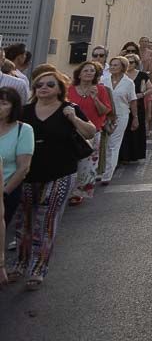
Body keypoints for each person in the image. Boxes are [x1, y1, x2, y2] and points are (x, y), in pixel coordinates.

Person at [11, 69, 97, 289]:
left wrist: (73, 118)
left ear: (60, 89)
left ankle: (38, 268)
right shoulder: (24, 111)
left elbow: (90, 133)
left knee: (46, 221)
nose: (44, 88)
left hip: (60, 173)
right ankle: (20, 263)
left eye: (50, 84)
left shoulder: (69, 109)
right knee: (25, 222)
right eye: (39, 85)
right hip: (27, 174)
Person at [66, 61, 112, 203]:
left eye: (92, 71)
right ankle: (67, 189)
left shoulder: (100, 90)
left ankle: (78, 192)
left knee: (87, 164)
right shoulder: (70, 89)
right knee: (71, 161)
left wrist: (95, 98)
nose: (89, 73)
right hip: (72, 132)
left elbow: (104, 111)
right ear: (79, 74)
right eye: (86, 70)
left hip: (92, 132)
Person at [100, 55, 138, 185]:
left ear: (123, 67)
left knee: (113, 145)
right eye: (111, 65)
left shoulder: (128, 83)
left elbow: (133, 101)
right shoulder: (103, 80)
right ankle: (100, 170)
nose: (112, 67)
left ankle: (107, 174)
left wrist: (135, 118)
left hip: (121, 116)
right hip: (104, 116)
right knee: (102, 144)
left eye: (116, 65)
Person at [0, 87, 33, 224]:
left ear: (13, 107)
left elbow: (23, 168)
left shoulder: (23, 130)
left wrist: (4, 193)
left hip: (5, 191)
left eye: (4, 103)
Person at [119, 55, 151, 164]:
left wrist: (142, 94)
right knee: (124, 131)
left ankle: (134, 154)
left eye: (131, 62)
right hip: (123, 106)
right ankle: (123, 156)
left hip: (138, 106)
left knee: (135, 130)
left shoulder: (142, 75)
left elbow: (151, 89)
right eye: (126, 63)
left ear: (136, 63)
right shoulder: (120, 75)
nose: (129, 65)